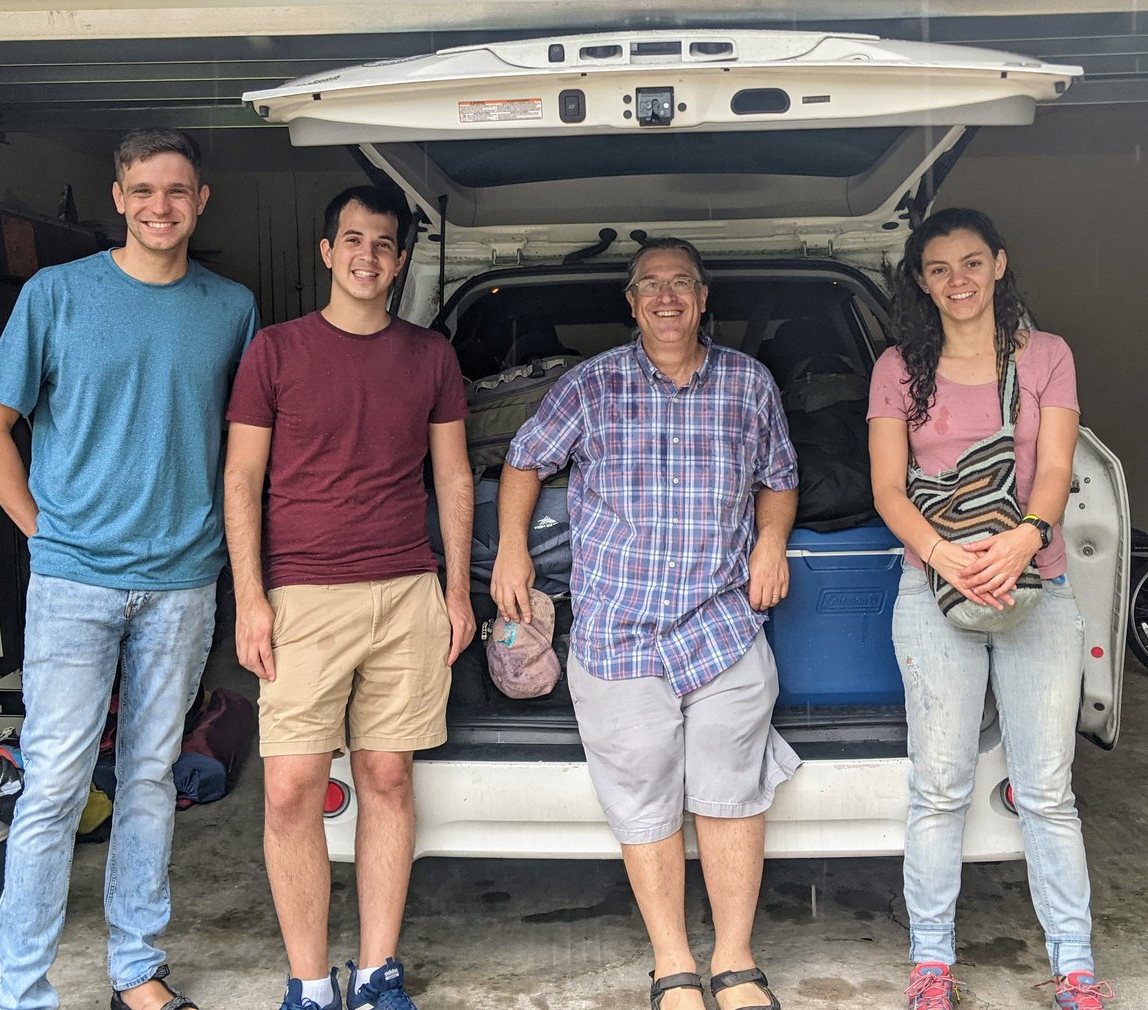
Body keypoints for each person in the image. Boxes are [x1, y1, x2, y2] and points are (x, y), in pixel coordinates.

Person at [0, 128, 259, 1010]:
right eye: (143, 190)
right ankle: (24, 989)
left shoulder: (231, 306)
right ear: (119, 198)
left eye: (177, 190)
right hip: (72, 582)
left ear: (201, 200)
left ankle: (137, 966)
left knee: (149, 778)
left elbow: (249, 451)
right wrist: (40, 531)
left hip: (181, 581)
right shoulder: (57, 295)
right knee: (55, 782)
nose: (160, 206)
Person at [491, 237, 800, 1010]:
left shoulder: (749, 384)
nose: (667, 298)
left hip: (721, 626)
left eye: (682, 285)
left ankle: (733, 962)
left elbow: (781, 478)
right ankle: (672, 965)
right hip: (618, 631)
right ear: (630, 304)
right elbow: (524, 462)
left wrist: (770, 542)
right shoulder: (589, 387)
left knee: (732, 795)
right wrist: (510, 555)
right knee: (644, 799)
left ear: (702, 299)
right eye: (650, 286)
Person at [223, 185, 475, 1010]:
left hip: (406, 590)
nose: (368, 256)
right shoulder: (275, 351)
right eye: (353, 240)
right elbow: (242, 479)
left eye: (384, 245)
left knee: (387, 778)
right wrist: (250, 599)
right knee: (292, 785)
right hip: (301, 596)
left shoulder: (429, 356)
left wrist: (456, 589)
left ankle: (376, 973)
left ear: (400, 262)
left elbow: (451, 475)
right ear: (327, 251)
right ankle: (308, 982)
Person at [867, 207, 1113, 1010]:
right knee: (939, 789)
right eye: (939, 269)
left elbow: (1055, 469)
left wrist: (1022, 542)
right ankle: (930, 966)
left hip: (1036, 589)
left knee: (1046, 792)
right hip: (932, 591)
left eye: (972, 263)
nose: (958, 281)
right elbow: (887, 489)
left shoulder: (1046, 356)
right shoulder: (898, 368)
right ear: (920, 281)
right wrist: (944, 557)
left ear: (1000, 265)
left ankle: (1075, 968)